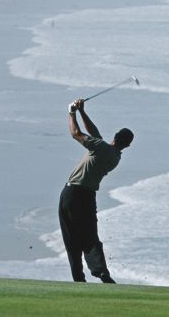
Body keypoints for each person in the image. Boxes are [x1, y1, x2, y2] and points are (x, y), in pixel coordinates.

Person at [58, 97, 133, 283]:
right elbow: (96, 135)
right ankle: (101, 272)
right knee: (90, 236)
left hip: (72, 194)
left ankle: (78, 278)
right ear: (127, 146)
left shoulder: (101, 147)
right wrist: (83, 111)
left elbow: (76, 134)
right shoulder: (115, 156)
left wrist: (71, 112)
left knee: (71, 237)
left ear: (114, 137)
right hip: (89, 197)